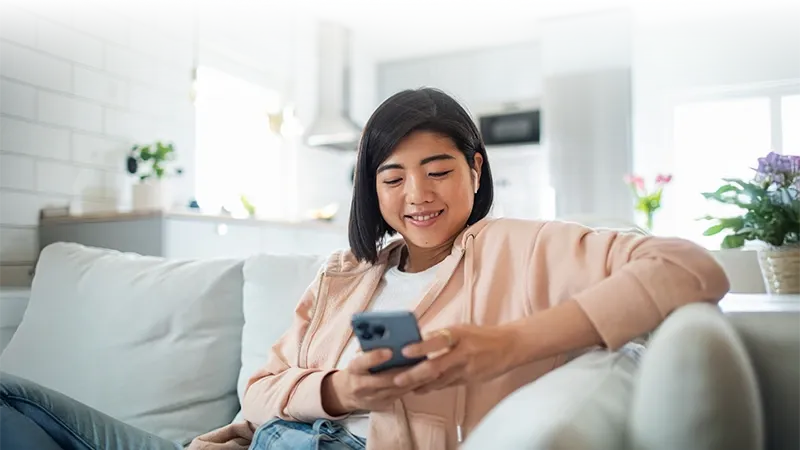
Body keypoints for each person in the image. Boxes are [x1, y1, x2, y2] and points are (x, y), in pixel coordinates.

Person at [0, 87, 730, 450]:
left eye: (439, 169)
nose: (417, 195)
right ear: (371, 189)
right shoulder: (345, 273)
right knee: (13, 398)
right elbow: (258, 389)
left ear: (476, 170)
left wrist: (510, 344)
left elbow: (691, 268)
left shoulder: (521, 246)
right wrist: (325, 392)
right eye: (392, 178)